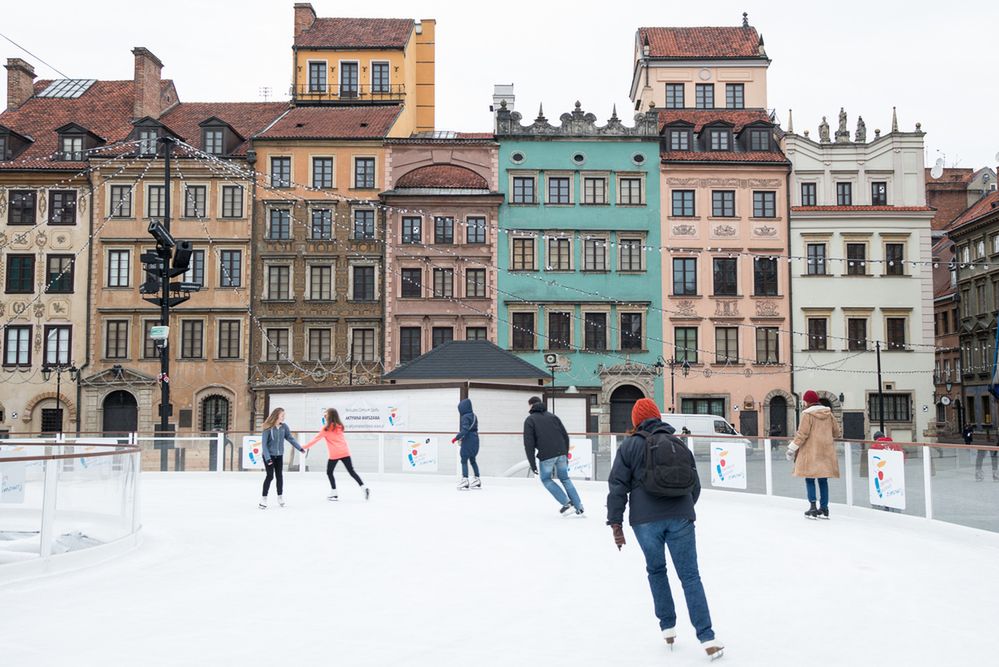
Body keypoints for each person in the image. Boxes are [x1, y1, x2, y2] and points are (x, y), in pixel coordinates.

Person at [607, 398, 723, 660]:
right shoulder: (678, 443)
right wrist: (683, 510)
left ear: (636, 420)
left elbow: (617, 487)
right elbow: (695, 486)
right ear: (658, 417)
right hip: (680, 517)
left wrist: (616, 523)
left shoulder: (629, 446)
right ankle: (708, 637)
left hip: (644, 521)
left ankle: (668, 627)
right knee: (690, 576)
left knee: (656, 570)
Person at [523, 396, 583, 515]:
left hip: (546, 454)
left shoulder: (530, 420)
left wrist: (532, 464)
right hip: (561, 452)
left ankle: (567, 503)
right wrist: (565, 454)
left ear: (531, 405)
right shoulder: (553, 416)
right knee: (565, 478)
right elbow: (565, 436)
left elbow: (528, 444)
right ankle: (579, 506)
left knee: (546, 479)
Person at [787, 390, 841, 519]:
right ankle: (824, 508)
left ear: (807, 401)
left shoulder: (807, 415)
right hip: (825, 452)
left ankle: (812, 507)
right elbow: (837, 432)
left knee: (809, 478)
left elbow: (802, 434)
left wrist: (792, 448)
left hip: (811, 452)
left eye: (805, 401)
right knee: (823, 480)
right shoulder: (829, 414)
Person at [303, 408, 370, 501]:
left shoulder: (326, 429)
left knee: (329, 472)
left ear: (329, 416)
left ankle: (334, 493)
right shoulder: (340, 426)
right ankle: (364, 487)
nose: (324, 416)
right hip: (345, 452)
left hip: (335, 453)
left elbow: (315, 440)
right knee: (351, 471)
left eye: (326, 415)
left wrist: (303, 447)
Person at [259, 407, 305, 509]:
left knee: (279, 476)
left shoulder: (284, 427)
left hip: (279, 455)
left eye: (284, 415)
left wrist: (300, 448)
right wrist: (267, 458)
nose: (284, 417)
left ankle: (280, 497)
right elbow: (264, 445)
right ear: (277, 416)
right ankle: (264, 498)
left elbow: (290, 438)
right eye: (282, 415)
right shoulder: (268, 428)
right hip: (269, 455)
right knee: (270, 476)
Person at [453, 399, 482, 490]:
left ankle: (465, 480)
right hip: (475, 439)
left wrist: (456, 438)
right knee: (473, 460)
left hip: (468, 440)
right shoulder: (474, 416)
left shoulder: (465, 417)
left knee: (464, 460)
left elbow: (465, 429)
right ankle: (477, 479)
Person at [871, 431, 901, 511]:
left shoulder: (875, 446)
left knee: (883, 486)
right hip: (895, 470)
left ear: (875, 439)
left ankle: (885, 504)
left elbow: (872, 460)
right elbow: (902, 457)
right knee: (892, 486)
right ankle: (894, 502)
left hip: (882, 471)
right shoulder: (895, 445)